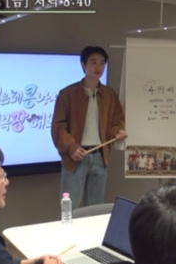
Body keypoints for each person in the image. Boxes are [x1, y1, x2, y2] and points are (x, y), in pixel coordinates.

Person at [51, 46, 128, 208]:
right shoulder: (68, 94)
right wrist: (71, 146)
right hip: (76, 157)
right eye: (93, 62)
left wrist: (117, 131)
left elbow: (116, 120)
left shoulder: (109, 94)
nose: (98, 67)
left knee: (95, 208)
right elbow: (58, 126)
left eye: (102, 63)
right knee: (69, 209)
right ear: (83, 65)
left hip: (100, 156)